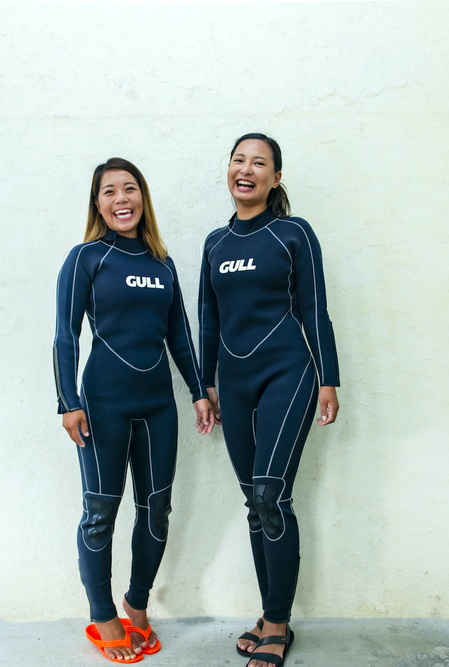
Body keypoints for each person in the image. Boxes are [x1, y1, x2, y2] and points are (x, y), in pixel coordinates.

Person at [54, 158, 215, 663]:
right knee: (100, 512)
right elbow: (64, 335)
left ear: (142, 197)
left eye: (130, 189)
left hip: (158, 406)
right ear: (97, 203)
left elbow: (179, 334)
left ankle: (136, 603)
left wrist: (198, 391)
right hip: (102, 405)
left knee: (157, 510)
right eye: (110, 191)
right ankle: (103, 615)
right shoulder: (86, 258)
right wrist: (68, 402)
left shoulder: (162, 263)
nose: (121, 199)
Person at [198, 134, 340, 667]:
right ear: (229, 171)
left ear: (275, 178)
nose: (246, 169)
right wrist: (205, 385)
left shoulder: (293, 233)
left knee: (271, 496)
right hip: (233, 384)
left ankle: (278, 623)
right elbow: (208, 318)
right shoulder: (215, 243)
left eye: (259, 163)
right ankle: (268, 611)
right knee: (254, 504)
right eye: (239, 160)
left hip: (288, 374)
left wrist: (329, 378)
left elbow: (315, 307)